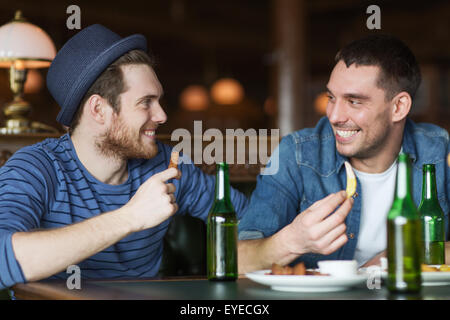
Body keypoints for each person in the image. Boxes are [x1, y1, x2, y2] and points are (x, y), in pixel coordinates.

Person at [0, 24, 248, 289]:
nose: (162, 116)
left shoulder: (164, 165)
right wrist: (130, 217)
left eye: (159, 101)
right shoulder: (36, 168)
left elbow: (248, 218)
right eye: (146, 102)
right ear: (99, 110)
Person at [238, 34, 450, 273]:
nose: (334, 116)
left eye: (354, 101)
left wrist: (400, 253)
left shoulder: (440, 152)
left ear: (398, 107)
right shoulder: (297, 153)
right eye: (331, 97)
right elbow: (236, 257)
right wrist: (290, 241)